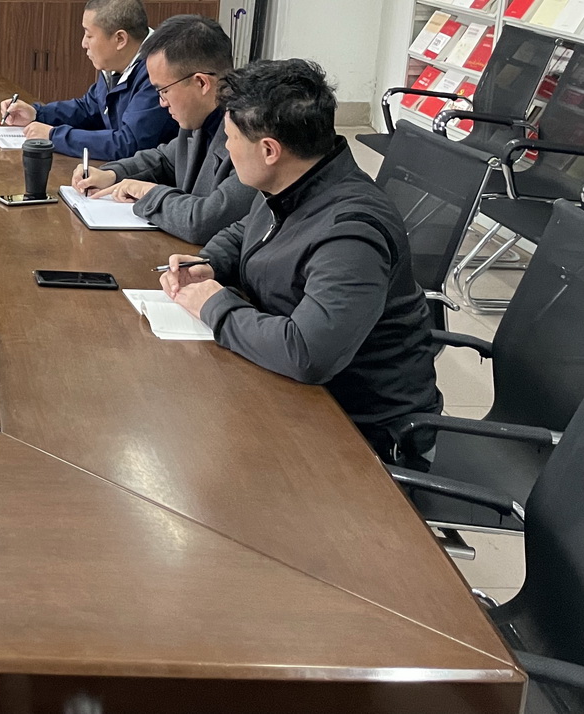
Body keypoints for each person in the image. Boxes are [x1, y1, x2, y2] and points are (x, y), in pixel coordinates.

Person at [160, 59, 443, 463]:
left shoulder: (352, 233)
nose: (227, 149)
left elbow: (307, 353)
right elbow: (246, 231)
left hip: (362, 435)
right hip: (295, 392)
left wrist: (214, 306)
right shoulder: (294, 182)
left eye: (231, 138)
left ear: (269, 150)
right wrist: (210, 263)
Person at [71, 14, 254, 244]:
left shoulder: (250, 137)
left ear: (201, 83)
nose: (161, 102)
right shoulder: (197, 118)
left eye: (164, 91)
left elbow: (203, 222)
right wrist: (113, 174)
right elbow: (164, 159)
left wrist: (148, 194)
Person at [0, 0, 176, 161]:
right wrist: (38, 114)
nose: (84, 43)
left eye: (89, 35)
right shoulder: (117, 62)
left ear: (120, 39)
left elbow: (128, 144)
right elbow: (90, 109)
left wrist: (53, 136)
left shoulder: (158, 72)